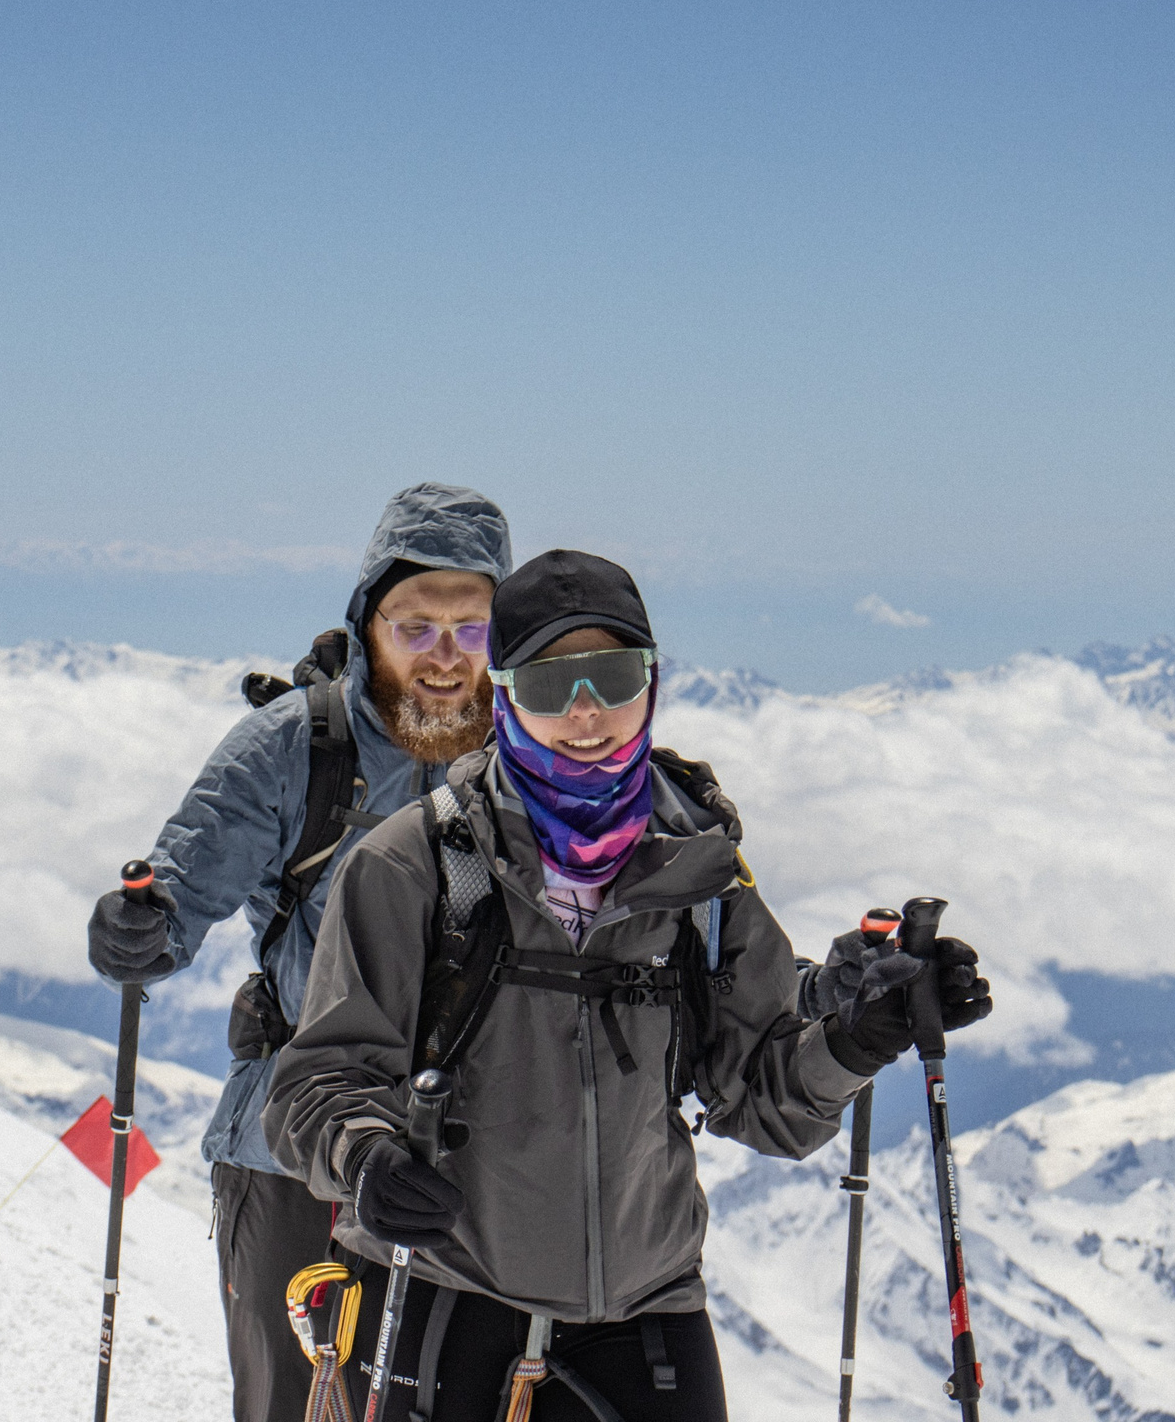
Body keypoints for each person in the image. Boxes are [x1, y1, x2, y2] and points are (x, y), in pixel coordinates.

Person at [265, 550, 994, 1422]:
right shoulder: (410, 867)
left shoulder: (701, 873)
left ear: (650, 683)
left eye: (613, 678)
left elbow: (759, 1097)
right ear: (503, 695)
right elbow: (316, 1083)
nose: (585, 712)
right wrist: (366, 1160)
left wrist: (857, 1039)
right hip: (445, 1297)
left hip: (649, 1309)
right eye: (549, 684)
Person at [86, 482, 515, 1422]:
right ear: (369, 624)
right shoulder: (296, 750)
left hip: (480, 1164)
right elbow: (175, 901)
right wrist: (137, 930)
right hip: (297, 1157)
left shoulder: (542, 754)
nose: (445, 655)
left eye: (472, 628)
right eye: (416, 626)